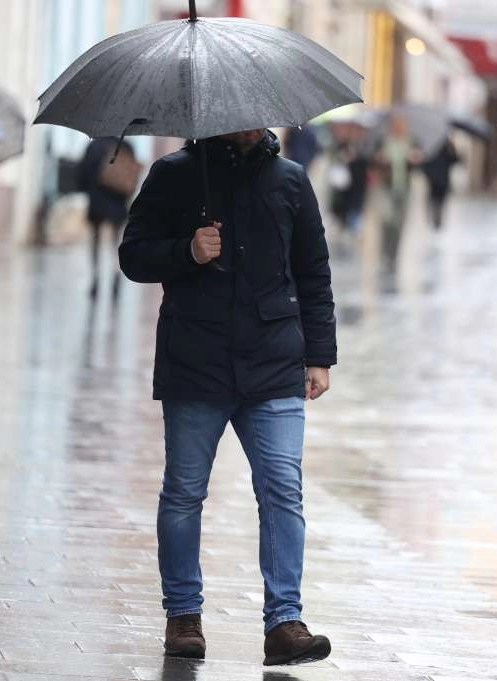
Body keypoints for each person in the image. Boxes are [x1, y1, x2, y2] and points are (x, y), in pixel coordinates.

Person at [119, 128, 336, 666]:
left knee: (283, 486)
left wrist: (320, 355)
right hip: (197, 359)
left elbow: (313, 271)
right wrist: (187, 250)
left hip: (274, 360)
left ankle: (285, 622)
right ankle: (183, 615)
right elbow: (134, 256)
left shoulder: (290, 180)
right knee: (185, 491)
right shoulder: (174, 174)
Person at [77, 137, 139, 298]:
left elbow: (83, 175)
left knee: (96, 240)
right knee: (116, 241)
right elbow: (132, 177)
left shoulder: (94, 146)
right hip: (118, 203)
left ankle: (95, 276)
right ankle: (116, 273)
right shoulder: (126, 146)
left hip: (97, 201)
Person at [374, 113, 420, 270]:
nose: (400, 128)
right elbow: (373, 161)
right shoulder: (384, 141)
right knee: (388, 221)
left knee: (400, 223)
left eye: (402, 125)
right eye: (396, 125)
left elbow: (419, 161)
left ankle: (394, 255)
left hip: (404, 188)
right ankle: (384, 252)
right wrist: (380, 159)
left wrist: (415, 159)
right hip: (387, 187)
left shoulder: (412, 141)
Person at [421, 137, 460, 230]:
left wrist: (452, 149)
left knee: (439, 201)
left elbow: (454, 160)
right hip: (434, 179)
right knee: (434, 199)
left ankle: (436, 220)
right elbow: (426, 161)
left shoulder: (448, 146)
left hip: (442, 179)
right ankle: (434, 218)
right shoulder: (433, 145)